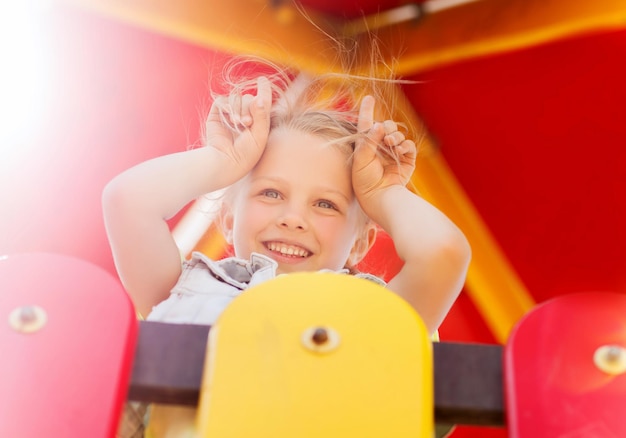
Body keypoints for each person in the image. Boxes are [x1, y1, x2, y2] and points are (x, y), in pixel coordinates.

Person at [103, 58, 471, 437]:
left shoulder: (374, 314)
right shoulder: (183, 287)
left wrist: (384, 192)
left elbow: (442, 254)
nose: (293, 218)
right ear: (228, 220)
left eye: (325, 204)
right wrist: (221, 161)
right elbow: (127, 202)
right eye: (271, 193)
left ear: (361, 242)